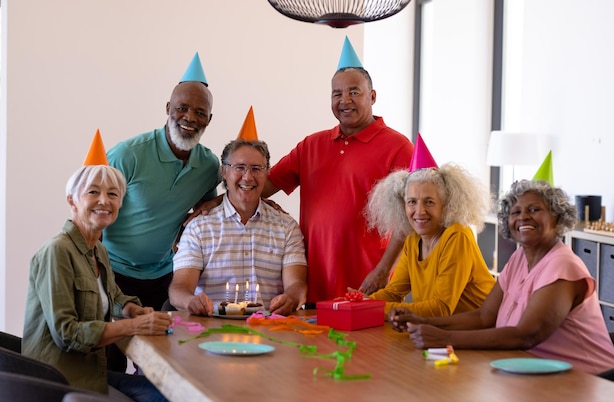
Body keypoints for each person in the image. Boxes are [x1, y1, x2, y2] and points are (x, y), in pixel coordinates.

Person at [390, 180, 614, 374]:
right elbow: (484, 317)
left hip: (591, 381)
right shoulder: (519, 258)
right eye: (516, 212)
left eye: (534, 210)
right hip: (534, 374)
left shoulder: (563, 266)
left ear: (557, 219)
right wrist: (423, 321)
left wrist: (444, 337)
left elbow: (526, 335)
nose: (523, 217)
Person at [22, 148, 182, 402]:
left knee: (173, 396)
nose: (104, 201)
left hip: (93, 373)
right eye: (93, 192)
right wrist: (135, 325)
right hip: (62, 384)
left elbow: (115, 296)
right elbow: (67, 334)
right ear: (72, 200)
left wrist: (132, 309)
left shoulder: (99, 249)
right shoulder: (57, 251)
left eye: (113, 194)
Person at [262, 36, 414, 304]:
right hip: (312, 287)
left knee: (371, 348)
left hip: (368, 285)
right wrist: (213, 200)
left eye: (354, 91)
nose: (345, 100)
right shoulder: (311, 145)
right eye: (337, 93)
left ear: (373, 96)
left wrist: (383, 270)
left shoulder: (399, 147)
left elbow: (409, 217)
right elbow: (259, 187)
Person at [101, 52, 221, 312]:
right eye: (182, 108)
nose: (190, 117)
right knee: (111, 351)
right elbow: (92, 211)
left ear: (209, 119)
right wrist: (91, 274)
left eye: (200, 112)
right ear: (168, 108)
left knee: (155, 349)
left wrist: (223, 199)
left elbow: (207, 212)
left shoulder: (209, 166)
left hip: (163, 275)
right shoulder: (128, 154)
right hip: (112, 272)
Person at [169, 110, 307, 316]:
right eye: (239, 167)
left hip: (271, 332)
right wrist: (190, 301)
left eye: (256, 168)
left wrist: (292, 298)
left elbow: (297, 284)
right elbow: (179, 287)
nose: (247, 177)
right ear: (224, 172)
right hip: (210, 334)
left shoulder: (286, 227)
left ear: (267, 172)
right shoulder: (199, 227)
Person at [363, 140, 495, 315]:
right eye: (412, 202)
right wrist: (360, 302)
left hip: (480, 334)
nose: (419, 211)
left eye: (429, 202)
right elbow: (393, 293)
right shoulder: (412, 239)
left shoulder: (457, 236)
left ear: (446, 205)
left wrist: (372, 308)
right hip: (440, 332)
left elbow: (440, 308)